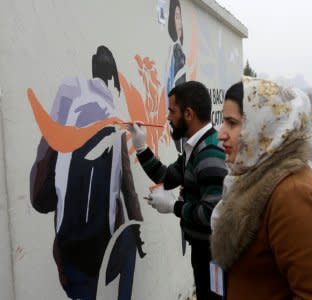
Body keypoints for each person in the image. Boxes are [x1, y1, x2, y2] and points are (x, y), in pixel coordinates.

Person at [210, 78, 312, 300]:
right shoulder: (252, 176)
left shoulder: (293, 195)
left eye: (232, 123)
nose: (221, 133)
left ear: (264, 126)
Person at [29, 46, 144, 300]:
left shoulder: (67, 103)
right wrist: (138, 228)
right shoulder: (115, 124)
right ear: (113, 79)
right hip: (103, 248)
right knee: (128, 248)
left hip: (69, 252)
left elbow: (42, 192)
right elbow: (128, 188)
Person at [128, 81, 227, 300]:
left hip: (214, 254)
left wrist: (173, 206)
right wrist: (142, 147)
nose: (168, 118)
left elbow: (211, 213)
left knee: (214, 297)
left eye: (172, 111)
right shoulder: (195, 147)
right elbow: (167, 177)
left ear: (188, 113)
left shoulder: (209, 152)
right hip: (203, 249)